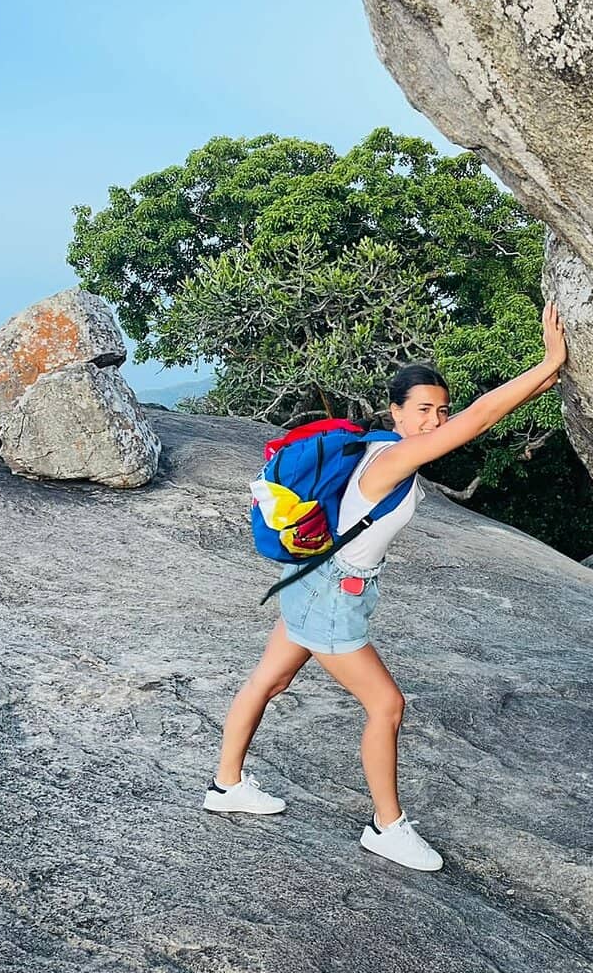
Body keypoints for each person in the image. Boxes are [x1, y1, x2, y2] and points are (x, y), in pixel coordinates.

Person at [204, 302, 568, 871]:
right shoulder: (392, 459)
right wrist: (545, 359)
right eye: (423, 409)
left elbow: (477, 418)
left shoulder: (379, 446)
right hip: (332, 594)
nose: (436, 421)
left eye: (441, 411)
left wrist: (551, 372)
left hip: (313, 581)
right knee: (386, 705)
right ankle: (386, 826)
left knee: (268, 681)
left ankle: (226, 785)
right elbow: (480, 419)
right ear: (396, 413)